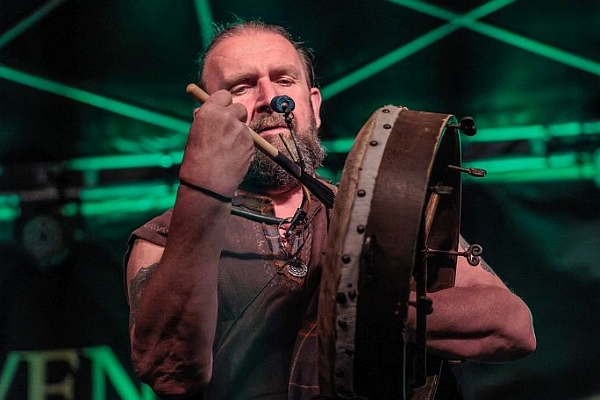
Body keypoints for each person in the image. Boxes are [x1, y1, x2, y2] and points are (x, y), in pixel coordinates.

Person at [123, 21, 536, 400]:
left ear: (313, 105)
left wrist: (365, 314)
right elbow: (171, 370)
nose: (270, 99)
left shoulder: (379, 211)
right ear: (207, 117)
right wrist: (203, 185)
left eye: (284, 80)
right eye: (243, 87)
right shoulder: (162, 238)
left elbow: (514, 328)